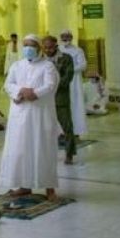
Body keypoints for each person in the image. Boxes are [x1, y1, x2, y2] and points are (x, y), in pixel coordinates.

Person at [0, 34, 60, 201]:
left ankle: (49, 188)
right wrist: (20, 91)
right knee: (21, 149)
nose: (27, 49)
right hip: (20, 114)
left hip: (40, 115)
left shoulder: (47, 66)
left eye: (31, 45)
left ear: (38, 48)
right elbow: (8, 84)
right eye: (25, 45)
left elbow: (50, 85)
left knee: (43, 148)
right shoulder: (16, 66)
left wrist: (34, 92)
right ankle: (24, 186)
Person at [43, 35, 76, 164]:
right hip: (44, 100)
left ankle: (69, 154)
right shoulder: (41, 60)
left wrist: (51, 86)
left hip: (60, 99)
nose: (47, 50)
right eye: (45, 48)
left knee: (67, 127)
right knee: (45, 128)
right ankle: (46, 154)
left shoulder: (66, 58)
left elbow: (67, 78)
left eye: (50, 47)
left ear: (56, 46)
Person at [59, 30, 88, 139]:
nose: (65, 39)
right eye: (63, 36)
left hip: (74, 81)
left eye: (67, 36)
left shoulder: (78, 50)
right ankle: (61, 131)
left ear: (71, 38)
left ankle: (76, 130)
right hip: (61, 81)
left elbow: (83, 65)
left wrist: (69, 70)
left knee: (75, 104)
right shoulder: (58, 50)